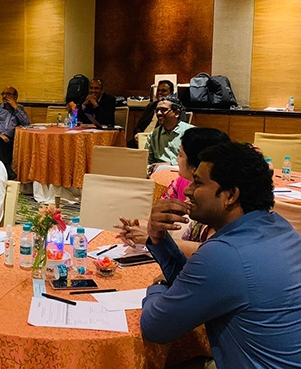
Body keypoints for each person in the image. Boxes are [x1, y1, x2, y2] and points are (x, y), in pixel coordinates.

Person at [141, 142, 301, 368]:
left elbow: (155, 328)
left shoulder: (225, 254)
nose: (187, 190)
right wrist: (159, 239)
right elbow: (200, 286)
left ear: (231, 195)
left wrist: (157, 286)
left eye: (198, 183)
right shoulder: (280, 228)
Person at [116, 127, 230, 257]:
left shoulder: (216, 199)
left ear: (196, 164)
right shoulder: (179, 183)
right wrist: (134, 229)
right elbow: (159, 219)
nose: (176, 160)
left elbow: (212, 251)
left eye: (180, 155)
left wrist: (153, 240)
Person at [0, 86, 30, 180]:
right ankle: (7, 168)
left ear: (15, 97)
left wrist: (16, 107)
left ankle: (3, 169)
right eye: (3, 94)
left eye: (8, 94)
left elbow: (26, 123)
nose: (4, 96)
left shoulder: (19, 109)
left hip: (10, 139)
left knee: (5, 146)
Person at [146, 95, 194, 174]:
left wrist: (171, 164)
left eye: (164, 110)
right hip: (159, 174)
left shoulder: (191, 133)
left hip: (183, 173)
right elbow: (147, 162)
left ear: (177, 113)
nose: (159, 113)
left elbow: (194, 161)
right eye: (157, 110)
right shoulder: (153, 135)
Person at [127, 80, 174, 148]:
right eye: (158, 90)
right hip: (142, 139)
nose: (160, 93)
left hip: (159, 142)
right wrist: (137, 135)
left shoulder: (174, 109)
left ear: (171, 93)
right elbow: (139, 126)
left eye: (164, 91)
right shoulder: (151, 106)